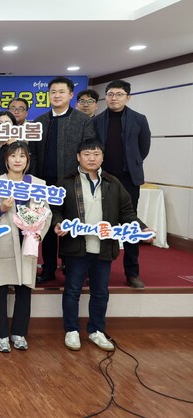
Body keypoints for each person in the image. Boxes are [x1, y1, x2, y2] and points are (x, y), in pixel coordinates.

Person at [52, 140, 153, 352]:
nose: (92, 158)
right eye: (87, 154)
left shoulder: (113, 182)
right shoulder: (66, 181)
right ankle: (71, 330)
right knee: (72, 291)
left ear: (102, 157)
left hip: (104, 247)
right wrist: (58, 223)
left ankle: (96, 330)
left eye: (96, 154)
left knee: (100, 292)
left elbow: (127, 212)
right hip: (76, 247)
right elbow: (56, 210)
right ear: (78, 156)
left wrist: (141, 228)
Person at [0, 142, 52, 353]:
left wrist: (39, 233)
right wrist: (1, 209)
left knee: (25, 288)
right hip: (3, 241)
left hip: (27, 241)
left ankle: (19, 333)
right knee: (0, 289)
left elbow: (46, 213)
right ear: (6, 160)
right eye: (13, 156)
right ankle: (1, 335)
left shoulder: (37, 184)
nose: (17, 160)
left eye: (22, 156)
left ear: (28, 160)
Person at [32, 76, 96, 283]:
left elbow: (87, 152)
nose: (57, 95)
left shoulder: (83, 121)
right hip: (44, 183)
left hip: (72, 183)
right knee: (47, 225)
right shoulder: (40, 121)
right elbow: (33, 153)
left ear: (70, 95)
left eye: (61, 92)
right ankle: (48, 267)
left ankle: (70, 266)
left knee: (70, 225)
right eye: (53, 92)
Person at [93, 80, 151, 289]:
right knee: (100, 223)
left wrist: (130, 164)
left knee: (130, 224)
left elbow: (143, 148)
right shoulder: (97, 121)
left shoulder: (139, 119)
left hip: (128, 180)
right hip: (103, 178)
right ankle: (96, 270)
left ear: (128, 97)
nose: (113, 98)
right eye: (110, 94)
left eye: (118, 94)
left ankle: (132, 272)